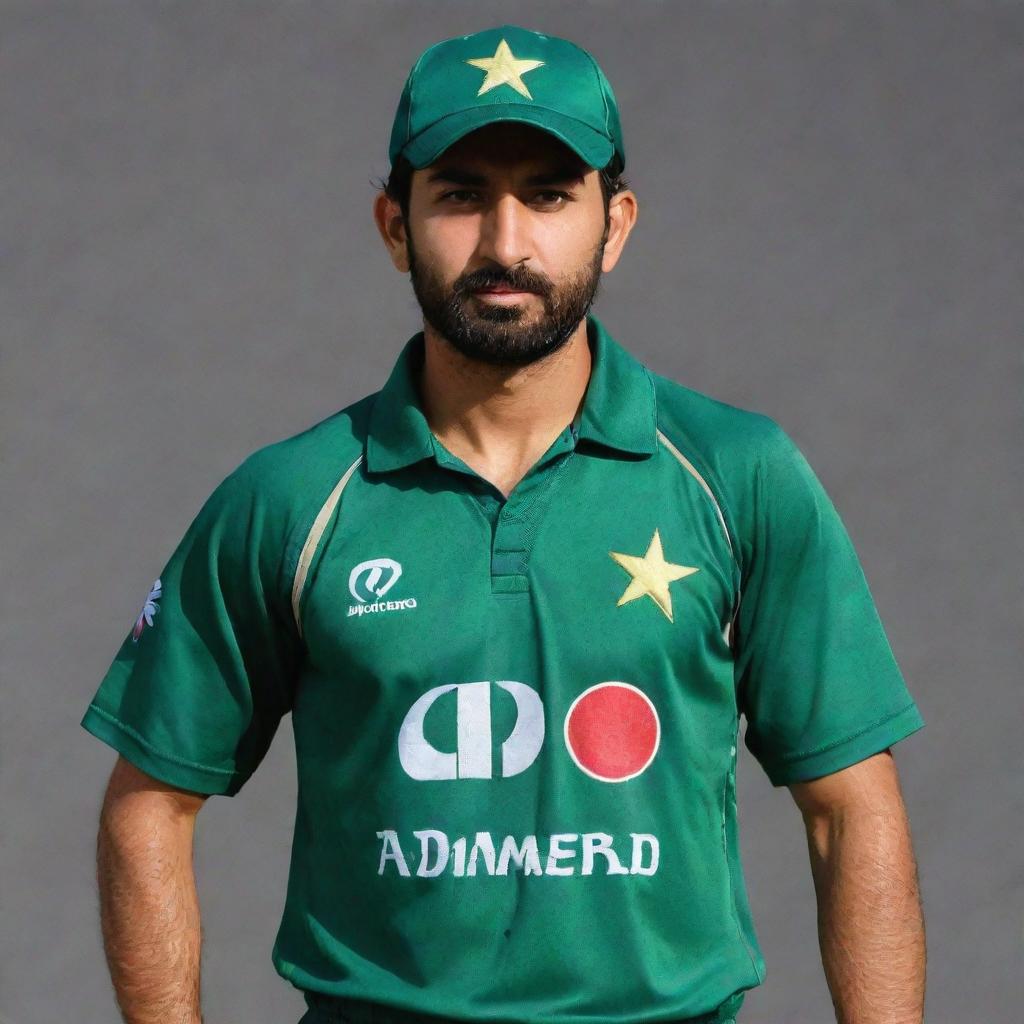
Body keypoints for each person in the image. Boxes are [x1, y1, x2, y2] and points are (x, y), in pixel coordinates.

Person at [81, 23, 927, 1024]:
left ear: (614, 224)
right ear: (394, 226)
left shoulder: (736, 474)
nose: (506, 242)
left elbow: (849, 812)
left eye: (549, 194)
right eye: (461, 195)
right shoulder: (292, 498)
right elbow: (148, 804)